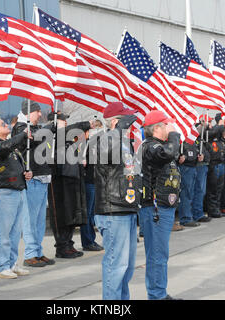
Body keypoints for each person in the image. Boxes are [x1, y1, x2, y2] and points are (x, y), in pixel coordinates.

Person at [91, 101, 141, 300]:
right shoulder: (104, 140)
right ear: (114, 122)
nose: (128, 125)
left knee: (126, 267)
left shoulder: (122, 142)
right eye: (124, 120)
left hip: (126, 208)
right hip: (112, 210)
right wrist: (118, 130)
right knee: (116, 265)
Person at [140, 110, 181, 300]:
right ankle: (156, 295)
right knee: (157, 254)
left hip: (164, 206)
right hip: (156, 207)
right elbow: (166, 153)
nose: (169, 128)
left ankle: (159, 293)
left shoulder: (160, 147)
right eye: (165, 125)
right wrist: (174, 136)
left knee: (161, 253)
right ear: (157, 128)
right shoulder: (150, 146)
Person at [0, 114, 32, 279]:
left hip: (16, 189)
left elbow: (14, 162)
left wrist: (25, 173)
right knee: (3, 231)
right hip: (3, 191)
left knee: (14, 232)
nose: (6, 125)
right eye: (2, 124)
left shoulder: (9, 145)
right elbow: (3, 149)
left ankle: (12, 263)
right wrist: (23, 134)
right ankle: (3, 266)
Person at [12, 100, 55, 268]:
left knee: (39, 220)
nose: (39, 114)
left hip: (42, 177)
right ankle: (30, 253)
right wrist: (51, 125)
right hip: (32, 179)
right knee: (30, 218)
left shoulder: (36, 127)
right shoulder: (20, 127)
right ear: (29, 112)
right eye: (37, 111)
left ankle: (37, 251)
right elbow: (34, 138)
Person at [48, 112, 93, 258]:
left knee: (71, 214)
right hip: (58, 180)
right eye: (62, 120)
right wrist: (87, 124)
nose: (65, 123)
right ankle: (61, 246)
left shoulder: (66, 137)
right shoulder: (51, 135)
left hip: (72, 178)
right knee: (60, 215)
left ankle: (68, 243)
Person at [80, 123, 104, 251]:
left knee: (92, 213)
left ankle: (91, 239)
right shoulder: (86, 144)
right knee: (88, 213)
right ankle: (87, 241)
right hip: (88, 181)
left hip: (95, 181)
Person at [177, 131, 204, 227]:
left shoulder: (192, 137)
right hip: (185, 167)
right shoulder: (182, 134)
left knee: (191, 193)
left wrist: (199, 157)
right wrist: (179, 157)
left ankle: (190, 216)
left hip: (193, 166)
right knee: (186, 193)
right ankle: (185, 218)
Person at [192, 116, 212, 223]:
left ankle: (198, 212)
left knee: (202, 191)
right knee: (198, 190)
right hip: (198, 166)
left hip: (204, 166)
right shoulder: (193, 138)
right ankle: (197, 213)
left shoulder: (202, 139)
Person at [205, 116, 225, 218]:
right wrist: (220, 125)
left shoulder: (216, 133)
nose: (209, 123)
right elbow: (212, 132)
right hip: (213, 164)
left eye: (210, 121)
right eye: (208, 122)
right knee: (212, 189)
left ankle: (217, 208)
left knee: (219, 188)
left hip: (220, 162)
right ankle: (212, 210)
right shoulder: (207, 133)